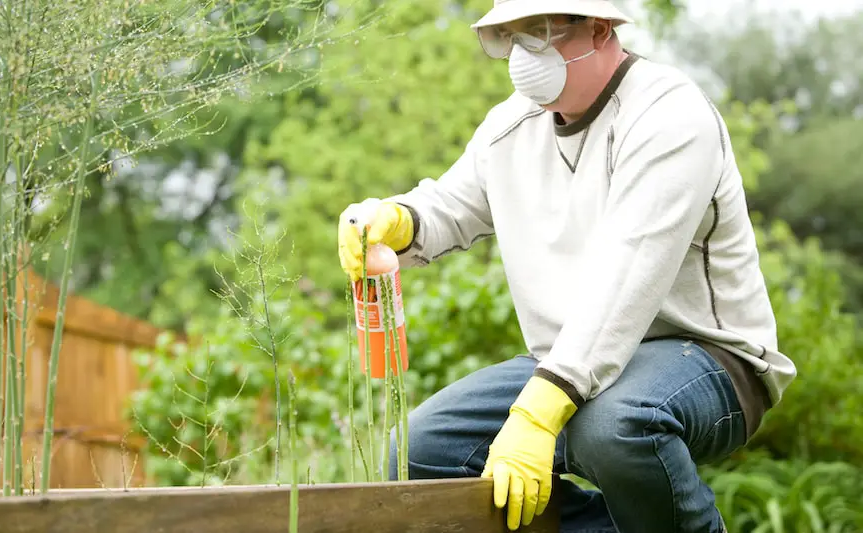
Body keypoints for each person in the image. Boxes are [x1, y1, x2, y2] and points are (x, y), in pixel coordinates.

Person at [336, 0, 797, 531]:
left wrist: (537, 413)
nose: (520, 54)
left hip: (709, 356)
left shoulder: (669, 115)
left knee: (609, 426)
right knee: (420, 453)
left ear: (599, 29)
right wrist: (397, 219)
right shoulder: (509, 126)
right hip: (570, 363)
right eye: (510, 36)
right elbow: (451, 207)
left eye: (540, 32)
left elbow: (629, 278)